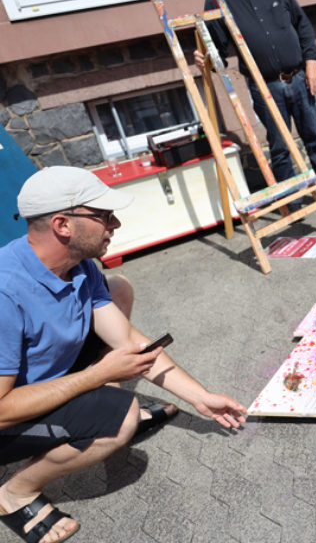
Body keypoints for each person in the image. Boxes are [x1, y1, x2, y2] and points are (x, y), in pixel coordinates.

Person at [0, 166, 248, 543]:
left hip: (37, 382)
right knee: (122, 420)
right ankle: (15, 492)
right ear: (63, 225)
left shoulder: (81, 267)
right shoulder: (5, 294)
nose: (115, 223)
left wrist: (201, 397)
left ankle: (100, 412)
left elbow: (126, 339)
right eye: (103, 216)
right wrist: (97, 376)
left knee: (118, 288)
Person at [196, 0, 316, 213]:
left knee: (314, 138)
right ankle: (292, 201)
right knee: (280, 147)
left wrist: (312, 62)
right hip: (264, 86)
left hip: (299, 77)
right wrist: (206, 59)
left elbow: (302, 24)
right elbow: (216, 51)